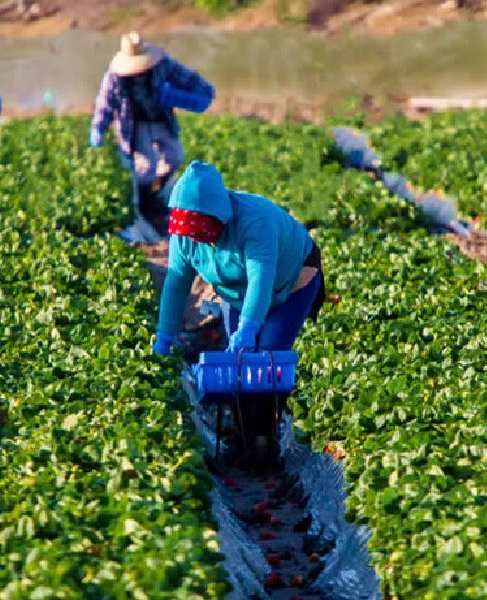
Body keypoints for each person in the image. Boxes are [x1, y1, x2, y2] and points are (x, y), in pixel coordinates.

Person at [153, 161, 324, 465]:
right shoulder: (185, 237)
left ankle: (265, 440)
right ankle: (244, 435)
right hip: (237, 292)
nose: (197, 237)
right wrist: (165, 335)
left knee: (265, 357)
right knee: (239, 366)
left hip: (291, 281)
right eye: (190, 231)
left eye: (201, 228)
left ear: (216, 215)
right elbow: (177, 282)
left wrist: (248, 327)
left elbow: (262, 278)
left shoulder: (253, 222)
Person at [90, 32, 215, 236]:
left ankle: (157, 191)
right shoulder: (115, 76)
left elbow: (186, 78)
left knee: (175, 156)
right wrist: (98, 128)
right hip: (134, 125)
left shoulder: (161, 65)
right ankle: (147, 205)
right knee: (146, 165)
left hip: (160, 119)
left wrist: (203, 91)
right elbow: (105, 103)